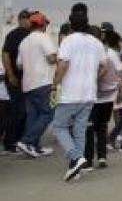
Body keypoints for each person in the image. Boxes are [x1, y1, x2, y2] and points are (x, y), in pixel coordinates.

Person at [52, 10, 107, 182]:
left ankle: (75, 158)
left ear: (71, 23)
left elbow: (63, 64)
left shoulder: (68, 40)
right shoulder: (96, 42)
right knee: (79, 130)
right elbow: (104, 66)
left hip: (70, 93)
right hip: (89, 94)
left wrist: (55, 84)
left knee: (59, 127)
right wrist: (92, 78)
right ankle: (75, 168)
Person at [16, 11, 57, 157]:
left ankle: (33, 147)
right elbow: (52, 58)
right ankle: (26, 141)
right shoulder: (43, 37)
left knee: (33, 116)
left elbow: (19, 65)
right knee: (49, 112)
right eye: (46, 23)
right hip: (44, 81)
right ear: (42, 24)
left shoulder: (24, 42)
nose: (46, 25)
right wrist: (60, 58)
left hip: (28, 84)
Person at [85, 26, 122, 170]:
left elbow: (104, 69)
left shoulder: (89, 52)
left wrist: (92, 79)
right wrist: (120, 92)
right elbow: (119, 73)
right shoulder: (111, 52)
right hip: (108, 95)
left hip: (92, 95)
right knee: (101, 127)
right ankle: (102, 157)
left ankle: (88, 161)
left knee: (88, 128)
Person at [2, 9, 32, 152]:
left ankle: (19, 140)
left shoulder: (31, 35)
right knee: (17, 112)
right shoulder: (15, 35)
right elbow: (6, 54)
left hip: (27, 80)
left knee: (24, 112)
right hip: (16, 80)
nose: (29, 21)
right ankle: (10, 142)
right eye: (27, 18)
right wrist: (11, 75)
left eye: (30, 18)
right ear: (20, 19)